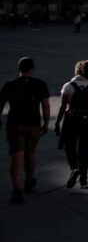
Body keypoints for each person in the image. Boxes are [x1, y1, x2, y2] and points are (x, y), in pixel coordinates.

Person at [0, 57, 50, 204]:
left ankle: (17, 189)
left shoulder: (10, 85)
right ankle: (29, 180)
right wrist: (46, 123)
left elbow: (0, 104)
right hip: (33, 124)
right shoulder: (39, 84)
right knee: (30, 154)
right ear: (32, 69)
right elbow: (46, 106)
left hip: (15, 124)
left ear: (19, 69)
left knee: (17, 156)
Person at [55, 60, 88, 189]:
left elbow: (63, 106)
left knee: (70, 147)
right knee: (83, 151)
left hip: (72, 120)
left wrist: (57, 122)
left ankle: (74, 169)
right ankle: (84, 180)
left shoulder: (68, 86)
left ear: (78, 71)